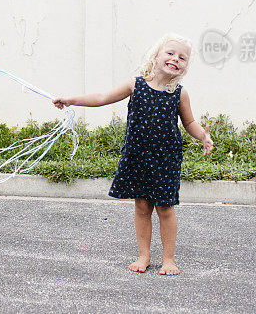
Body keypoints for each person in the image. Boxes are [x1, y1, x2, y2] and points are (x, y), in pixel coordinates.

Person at [53, 33, 214, 275]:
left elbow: (189, 122)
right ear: (156, 56)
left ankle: (168, 259)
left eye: (182, 58)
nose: (175, 59)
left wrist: (202, 135)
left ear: (184, 67)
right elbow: (102, 97)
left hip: (166, 159)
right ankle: (144, 255)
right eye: (170, 53)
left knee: (165, 208)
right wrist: (71, 100)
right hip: (137, 156)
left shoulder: (179, 93)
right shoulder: (135, 85)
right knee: (141, 206)